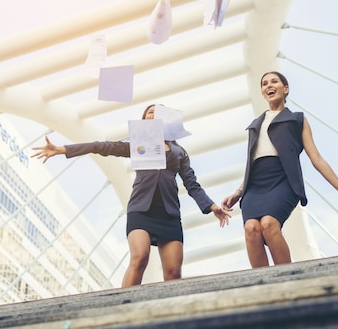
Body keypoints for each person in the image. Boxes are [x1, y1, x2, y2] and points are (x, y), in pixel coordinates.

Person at [31, 104, 231, 287]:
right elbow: (102, 146)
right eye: (149, 113)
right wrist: (64, 149)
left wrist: (212, 206)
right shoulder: (137, 145)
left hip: (169, 215)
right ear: (144, 122)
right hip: (141, 211)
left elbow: (191, 184)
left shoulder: (180, 152)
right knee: (139, 258)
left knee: (173, 272)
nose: (153, 115)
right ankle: (121, 312)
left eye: (157, 112)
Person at [221, 71, 338, 268]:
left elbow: (316, 158)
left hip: (282, 181)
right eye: (264, 83)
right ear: (262, 92)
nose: (269, 85)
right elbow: (253, 163)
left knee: (269, 224)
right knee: (251, 228)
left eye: (274, 81)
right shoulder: (255, 125)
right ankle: (262, 286)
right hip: (255, 186)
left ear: (285, 89)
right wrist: (237, 192)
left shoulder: (297, 120)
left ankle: (286, 279)